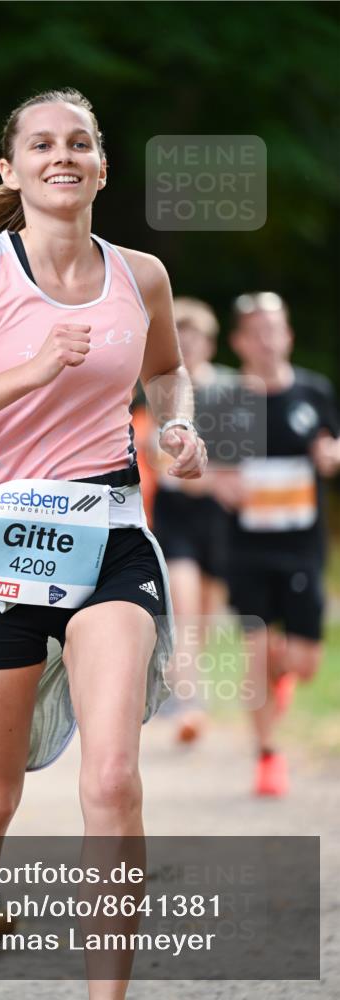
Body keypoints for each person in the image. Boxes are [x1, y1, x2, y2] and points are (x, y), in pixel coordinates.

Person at [0, 89, 207, 1000]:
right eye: (43, 144)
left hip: (108, 536)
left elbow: (168, 370)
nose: (65, 156)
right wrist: (29, 369)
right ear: (11, 171)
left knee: (112, 777)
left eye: (81, 143)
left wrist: (176, 426)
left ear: (101, 165)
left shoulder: (142, 274)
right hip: (3, 544)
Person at [213, 292, 339, 796]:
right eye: (257, 331)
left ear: (288, 334)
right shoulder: (231, 401)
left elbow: (331, 447)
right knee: (257, 651)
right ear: (240, 342)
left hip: (303, 546)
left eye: (276, 329)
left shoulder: (313, 392)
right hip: (246, 547)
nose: (268, 339)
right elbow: (213, 477)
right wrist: (226, 486)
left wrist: (330, 456)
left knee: (304, 662)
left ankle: (282, 676)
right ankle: (267, 755)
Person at [150, 297, 234, 743]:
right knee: (182, 605)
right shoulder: (162, 391)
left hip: (220, 518)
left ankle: (181, 682)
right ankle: (190, 704)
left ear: (211, 342)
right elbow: (160, 459)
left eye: (196, 336)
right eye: (180, 336)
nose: (188, 344)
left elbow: (247, 456)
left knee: (206, 613)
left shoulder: (233, 388)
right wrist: (214, 476)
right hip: (176, 513)